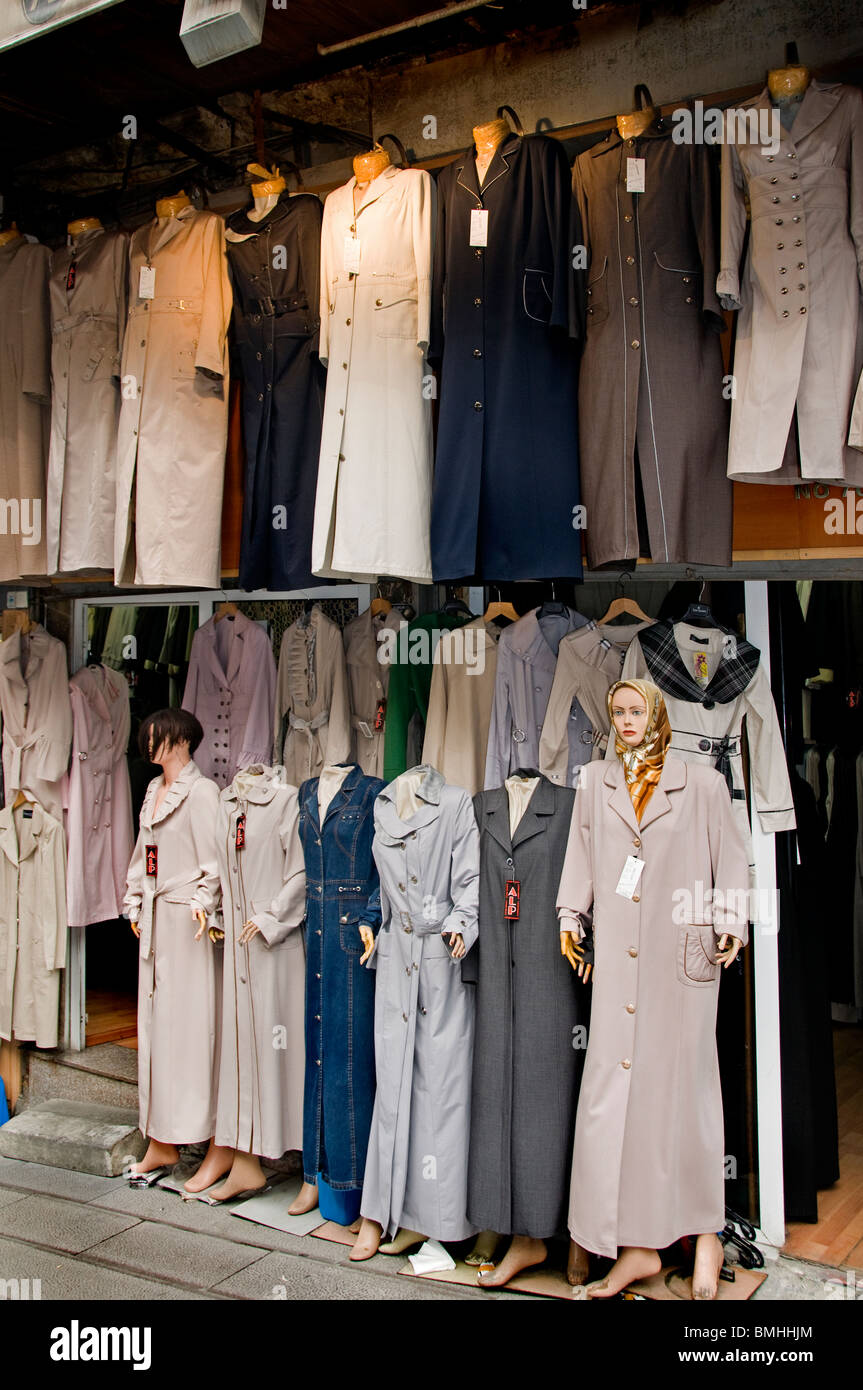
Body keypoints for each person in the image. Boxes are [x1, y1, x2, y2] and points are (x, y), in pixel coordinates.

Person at [557, 679, 749, 1299]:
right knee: (616, 1097)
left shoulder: (701, 783)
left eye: (637, 710)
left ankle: (706, 1235)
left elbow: (732, 858)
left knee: (686, 1096)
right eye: (618, 711)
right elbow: (581, 854)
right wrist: (570, 917)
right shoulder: (596, 781)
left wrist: (731, 923)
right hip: (618, 962)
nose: (627, 720)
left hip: (681, 963)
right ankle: (636, 1247)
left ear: (658, 713)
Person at [123, 708, 222, 1188]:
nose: (150, 744)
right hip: (157, 926)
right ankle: (159, 1140)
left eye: (157, 736)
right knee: (157, 1029)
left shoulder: (203, 794)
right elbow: (145, 852)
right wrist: (136, 899)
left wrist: (201, 904)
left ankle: (192, 1132)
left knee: (188, 1033)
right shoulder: (152, 792)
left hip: (188, 927)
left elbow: (216, 862)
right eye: (147, 738)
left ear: (182, 740)